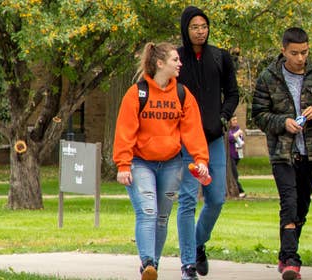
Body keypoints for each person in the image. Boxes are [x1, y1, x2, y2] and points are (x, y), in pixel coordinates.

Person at [113, 42, 211, 280]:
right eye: (175, 60)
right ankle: (147, 261)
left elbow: (193, 131)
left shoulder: (182, 94)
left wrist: (201, 159)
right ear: (159, 63)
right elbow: (125, 131)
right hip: (141, 163)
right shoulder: (137, 93)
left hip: (171, 164)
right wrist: (123, 164)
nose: (180, 64)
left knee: (162, 217)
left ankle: (152, 266)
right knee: (147, 211)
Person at [251, 27, 312, 280]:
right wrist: (283, 123)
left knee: (301, 208)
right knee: (288, 203)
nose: (300, 58)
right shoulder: (268, 77)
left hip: (309, 153)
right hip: (282, 153)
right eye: (295, 53)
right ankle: (291, 260)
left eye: (305, 52)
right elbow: (259, 115)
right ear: (283, 51)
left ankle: (284, 253)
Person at [175, 6, 241, 277]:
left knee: (215, 199)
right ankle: (188, 262)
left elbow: (233, 94)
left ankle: (198, 243)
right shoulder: (176, 59)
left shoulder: (220, 57)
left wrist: (223, 117)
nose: (200, 31)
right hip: (185, 142)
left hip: (213, 138)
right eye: (194, 27)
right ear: (185, 29)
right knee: (188, 199)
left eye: (204, 26)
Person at [228, 116, 247, 198]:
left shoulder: (238, 129)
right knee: (234, 173)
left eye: (236, 119)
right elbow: (230, 138)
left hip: (237, 154)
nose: (235, 121)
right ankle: (240, 190)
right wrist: (237, 134)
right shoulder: (229, 130)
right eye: (233, 120)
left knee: (233, 172)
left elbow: (241, 140)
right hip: (230, 155)